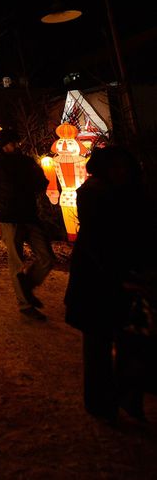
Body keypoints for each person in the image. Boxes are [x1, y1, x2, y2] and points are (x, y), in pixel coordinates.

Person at [64, 146, 152, 422]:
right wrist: (121, 276)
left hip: (126, 277)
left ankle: (126, 395)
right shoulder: (95, 195)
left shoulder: (132, 193)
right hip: (97, 282)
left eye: (124, 167)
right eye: (114, 167)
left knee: (131, 339)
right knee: (99, 344)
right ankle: (100, 403)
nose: (121, 172)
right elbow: (97, 243)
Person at [0, 128, 55, 320]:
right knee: (16, 262)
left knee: (47, 258)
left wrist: (34, 178)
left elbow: (42, 182)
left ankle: (27, 284)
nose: (15, 146)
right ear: (3, 145)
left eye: (16, 142)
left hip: (29, 215)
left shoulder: (26, 162)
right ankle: (25, 304)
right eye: (12, 143)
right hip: (8, 217)